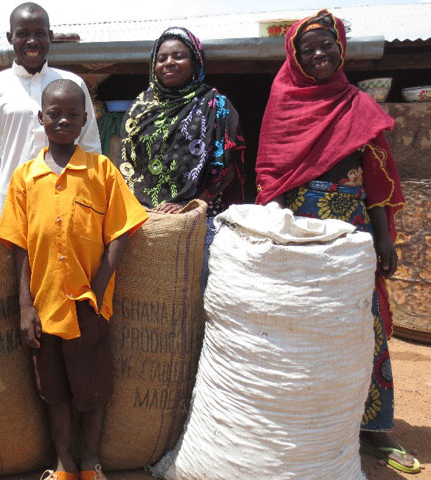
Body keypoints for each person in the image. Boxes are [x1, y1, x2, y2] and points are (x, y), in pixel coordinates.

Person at [255, 10, 419, 474]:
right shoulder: (282, 100)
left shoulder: (357, 105)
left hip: (353, 233)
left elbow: (376, 181)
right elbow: (272, 174)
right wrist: (278, 233)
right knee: (303, 326)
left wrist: (384, 240)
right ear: (296, 57)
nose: (320, 54)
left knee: (360, 326)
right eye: (309, 49)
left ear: (340, 48)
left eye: (327, 45)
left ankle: (374, 428)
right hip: (300, 232)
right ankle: (307, 421)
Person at [0, 80, 147, 480]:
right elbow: (19, 245)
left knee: (93, 392)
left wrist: (98, 292)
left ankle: (91, 462)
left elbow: (120, 232)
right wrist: (25, 306)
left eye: (72, 114)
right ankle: (63, 463)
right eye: (54, 113)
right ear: (41, 118)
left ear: (85, 120)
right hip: (45, 307)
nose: (63, 119)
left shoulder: (101, 171)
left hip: (88, 305)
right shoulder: (26, 177)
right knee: (55, 394)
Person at [119, 26, 245, 290]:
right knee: (150, 293)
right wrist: (139, 208)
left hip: (199, 217)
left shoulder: (215, 104)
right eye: (162, 58)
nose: (169, 63)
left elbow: (227, 167)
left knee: (195, 290)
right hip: (145, 219)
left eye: (178, 56)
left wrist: (192, 203)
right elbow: (126, 163)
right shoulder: (140, 107)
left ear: (195, 61)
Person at [0, 2, 101, 223]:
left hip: (67, 200)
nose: (32, 41)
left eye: (39, 34)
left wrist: (90, 197)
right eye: (23, 34)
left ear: (51, 36)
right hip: (11, 203)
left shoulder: (72, 83)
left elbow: (90, 146)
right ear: (10, 37)